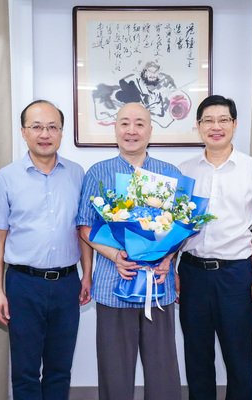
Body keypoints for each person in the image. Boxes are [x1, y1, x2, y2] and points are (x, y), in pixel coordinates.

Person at [0, 100, 92, 400]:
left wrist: (87, 274)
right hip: (23, 284)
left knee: (60, 368)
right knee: (25, 370)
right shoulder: (6, 177)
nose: (44, 134)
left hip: (67, 283)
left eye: (52, 127)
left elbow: (83, 230)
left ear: (61, 132)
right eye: (36, 127)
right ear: (23, 132)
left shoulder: (77, 174)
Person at [77, 102, 182, 400]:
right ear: (115, 129)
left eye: (139, 123)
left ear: (150, 130)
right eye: (124, 123)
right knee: (114, 371)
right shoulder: (98, 172)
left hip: (158, 284)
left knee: (163, 371)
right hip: (113, 283)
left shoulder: (169, 173)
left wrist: (168, 257)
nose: (131, 130)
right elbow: (85, 226)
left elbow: (181, 226)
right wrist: (115, 256)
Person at [177, 95, 252, 400]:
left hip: (236, 276)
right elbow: (174, 225)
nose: (215, 126)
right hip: (192, 273)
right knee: (197, 358)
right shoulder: (184, 170)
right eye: (208, 120)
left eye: (223, 120)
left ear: (234, 124)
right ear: (198, 126)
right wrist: (172, 268)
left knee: (238, 359)